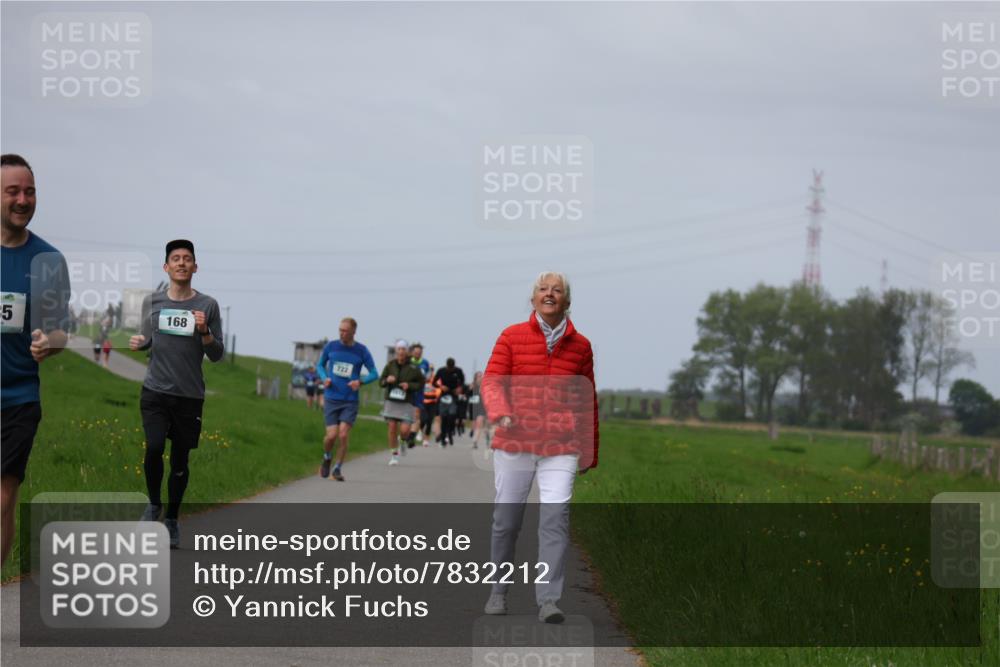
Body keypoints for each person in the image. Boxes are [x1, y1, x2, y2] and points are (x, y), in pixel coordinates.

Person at [481, 271, 599, 623]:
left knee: (555, 519)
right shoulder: (511, 336)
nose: (550, 294)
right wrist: (500, 411)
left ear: (567, 301)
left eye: (557, 290)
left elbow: (586, 399)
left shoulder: (581, 346)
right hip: (515, 439)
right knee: (506, 522)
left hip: (560, 446)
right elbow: (492, 380)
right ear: (533, 299)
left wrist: (589, 448)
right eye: (543, 289)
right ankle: (498, 591)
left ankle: (549, 600)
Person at [129, 240, 225, 549]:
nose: (181, 263)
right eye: (176, 258)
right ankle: (154, 504)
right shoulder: (153, 302)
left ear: (195, 267)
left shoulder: (208, 305)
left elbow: (217, 354)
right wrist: (139, 342)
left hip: (189, 395)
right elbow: (148, 338)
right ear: (166, 267)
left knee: (180, 461)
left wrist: (205, 331)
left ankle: (171, 519)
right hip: (155, 390)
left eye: (187, 259)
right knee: (155, 447)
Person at [1, 154, 70, 565]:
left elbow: (62, 329)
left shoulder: (49, 261)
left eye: (30, 192)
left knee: (2, 497)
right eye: (13, 191)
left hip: (17, 397)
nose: (23, 200)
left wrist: (50, 342)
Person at [316, 317, 378, 481]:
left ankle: (337, 468)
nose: (341, 333)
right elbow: (320, 365)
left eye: (345, 331)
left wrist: (360, 382)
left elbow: (374, 373)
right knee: (331, 436)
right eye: (340, 330)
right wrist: (324, 378)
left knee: (343, 435)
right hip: (331, 398)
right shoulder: (331, 346)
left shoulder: (362, 350)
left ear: (353, 332)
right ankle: (327, 457)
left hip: (350, 400)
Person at [379, 340, 425, 466]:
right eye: (399, 349)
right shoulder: (390, 365)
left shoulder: (414, 368)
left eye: (403, 349)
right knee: (392, 427)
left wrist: (409, 385)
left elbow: (421, 383)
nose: (401, 352)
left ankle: (403, 441)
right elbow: (381, 381)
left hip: (406, 402)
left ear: (407, 351)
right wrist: (387, 380)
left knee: (404, 430)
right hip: (391, 401)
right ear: (396, 351)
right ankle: (394, 455)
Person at [433, 357, 465, 446]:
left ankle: (450, 432)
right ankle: (443, 438)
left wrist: (460, 388)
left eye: (452, 368)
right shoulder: (441, 371)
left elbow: (462, 382)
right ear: (446, 366)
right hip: (444, 395)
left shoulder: (458, 371)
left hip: (453, 396)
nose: (450, 370)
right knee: (443, 417)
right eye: (449, 368)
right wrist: (441, 386)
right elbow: (434, 382)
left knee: (452, 416)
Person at [408, 342, 430, 446]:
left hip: (419, 392)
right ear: (412, 352)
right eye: (416, 352)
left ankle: (411, 437)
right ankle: (406, 433)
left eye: (419, 353)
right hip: (408, 392)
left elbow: (428, 376)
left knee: (417, 414)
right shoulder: (408, 361)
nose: (417, 354)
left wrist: (425, 379)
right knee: (407, 414)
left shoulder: (425, 363)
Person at [469, 371, 488, 450]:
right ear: (475, 378)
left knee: (480, 424)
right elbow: (467, 396)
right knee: (475, 424)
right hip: (474, 407)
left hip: (482, 407)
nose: (481, 377)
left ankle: (475, 442)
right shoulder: (472, 386)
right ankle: (473, 432)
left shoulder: (485, 386)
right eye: (479, 376)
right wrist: (470, 389)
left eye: (481, 376)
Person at [420, 374, 440, 445]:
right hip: (423, 403)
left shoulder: (435, 380)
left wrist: (435, 390)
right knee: (423, 419)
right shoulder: (421, 379)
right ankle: (419, 431)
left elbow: (438, 391)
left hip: (432, 404)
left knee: (429, 421)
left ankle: (426, 439)